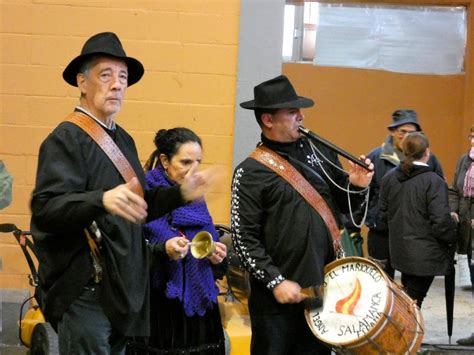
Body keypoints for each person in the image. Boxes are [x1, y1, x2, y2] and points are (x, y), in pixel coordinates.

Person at [30, 32, 212, 354]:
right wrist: (100, 199)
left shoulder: (122, 139)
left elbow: (140, 203)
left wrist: (181, 192)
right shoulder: (66, 139)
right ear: (82, 82)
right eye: (106, 75)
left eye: (123, 77)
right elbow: (46, 209)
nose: (117, 85)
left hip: (121, 291)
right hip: (86, 291)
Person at [230, 75, 373, 355]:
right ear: (268, 120)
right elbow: (244, 239)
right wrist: (276, 281)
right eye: (292, 111)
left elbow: (344, 209)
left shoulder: (319, 152)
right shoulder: (249, 172)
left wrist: (356, 186)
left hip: (322, 292)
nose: (301, 116)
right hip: (275, 302)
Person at [133, 127, 227, 354]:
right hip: (159, 307)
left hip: (200, 309)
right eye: (185, 162)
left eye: (198, 162)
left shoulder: (197, 198)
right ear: (165, 160)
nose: (193, 171)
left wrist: (216, 256)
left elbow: (215, 259)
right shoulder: (144, 193)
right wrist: (163, 249)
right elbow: (132, 253)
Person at [355, 109, 444, 278]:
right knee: (380, 281)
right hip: (382, 231)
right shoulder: (376, 157)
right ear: (393, 132)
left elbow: (440, 191)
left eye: (412, 132)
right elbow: (363, 193)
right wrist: (354, 227)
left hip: (414, 234)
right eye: (402, 131)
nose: (407, 136)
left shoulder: (430, 159)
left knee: (411, 288)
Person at [378, 132, 456, 307]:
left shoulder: (389, 178)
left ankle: (404, 333)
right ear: (427, 152)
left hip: (400, 252)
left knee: (408, 301)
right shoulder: (433, 181)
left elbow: (382, 215)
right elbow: (441, 222)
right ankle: (401, 335)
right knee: (411, 305)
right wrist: (452, 236)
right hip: (425, 255)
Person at [449, 125, 474, 346]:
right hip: (466, 231)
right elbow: (455, 190)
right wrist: (454, 210)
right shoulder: (463, 161)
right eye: (473, 136)